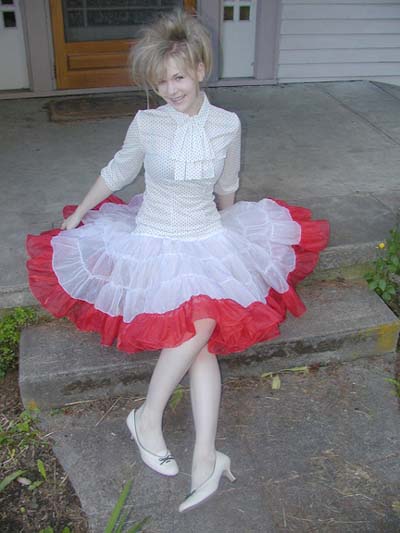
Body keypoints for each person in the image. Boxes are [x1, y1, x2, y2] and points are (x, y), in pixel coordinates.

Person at [26, 9, 329, 513]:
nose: (171, 89)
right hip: (154, 238)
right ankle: (150, 420)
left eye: (179, 77)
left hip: (206, 233)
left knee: (201, 337)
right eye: (162, 81)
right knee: (200, 329)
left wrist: (231, 237)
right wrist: (78, 213)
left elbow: (227, 185)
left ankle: (202, 455)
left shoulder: (227, 124)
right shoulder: (148, 124)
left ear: (200, 70)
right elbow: (118, 171)